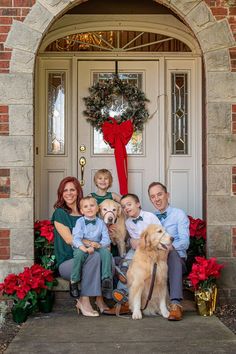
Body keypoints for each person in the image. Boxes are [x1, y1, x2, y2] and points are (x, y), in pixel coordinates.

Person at [52, 176, 109, 317]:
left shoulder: (87, 211)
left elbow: (101, 232)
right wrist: (92, 243)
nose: (69, 193)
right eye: (65, 190)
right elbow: (69, 239)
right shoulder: (60, 213)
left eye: (72, 189)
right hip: (68, 262)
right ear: (61, 193)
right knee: (94, 256)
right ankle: (84, 300)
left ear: (78, 192)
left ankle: (100, 299)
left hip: (88, 255)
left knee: (107, 259)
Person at [103, 193, 161, 315]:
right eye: (123, 207)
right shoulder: (128, 222)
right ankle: (122, 293)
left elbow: (159, 233)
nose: (126, 208)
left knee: (133, 265)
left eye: (129, 204)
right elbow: (130, 241)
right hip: (136, 250)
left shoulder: (150, 216)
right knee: (125, 263)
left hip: (151, 250)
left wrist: (141, 242)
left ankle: (124, 297)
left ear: (138, 204)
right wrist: (130, 241)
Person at [148, 182, 190, 321]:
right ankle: (129, 301)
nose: (157, 199)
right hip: (156, 261)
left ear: (167, 195)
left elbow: (185, 242)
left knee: (170, 253)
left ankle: (176, 304)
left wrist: (169, 247)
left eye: (159, 194)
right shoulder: (151, 218)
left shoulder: (179, 214)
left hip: (176, 260)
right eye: (153, 196)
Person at [71, 196, 113, 297]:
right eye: (86, 206)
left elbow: (106, 238)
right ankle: (74, 281)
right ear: (81, 210)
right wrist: (84, 248)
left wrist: (100, 244)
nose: (89, 208)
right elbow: (76, 238)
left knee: (106, 253)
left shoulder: (101, 223)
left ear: (97, 208)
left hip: (97, 246)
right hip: (82, 246)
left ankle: (106, 278)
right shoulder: (80, 222)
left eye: (92, 205)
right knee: (79, 254)